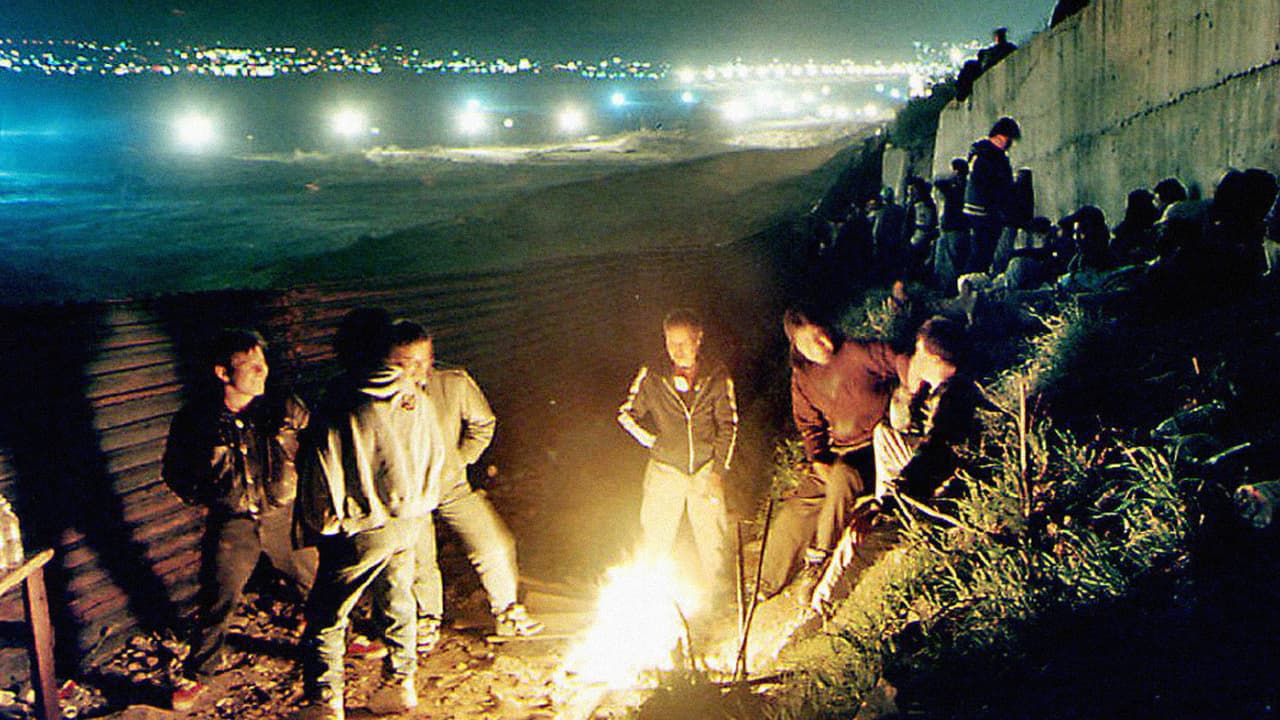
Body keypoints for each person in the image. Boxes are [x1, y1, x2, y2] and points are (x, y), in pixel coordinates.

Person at [294, 316, 447, 720]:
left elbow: (323, 464)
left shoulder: (341, 397)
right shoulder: (416, 396)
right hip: (408, 521)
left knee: (328, 613)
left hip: (360, 527)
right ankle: (399, 686)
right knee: (397, 599)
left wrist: (325, 520)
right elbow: (435, 453)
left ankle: (324, 702)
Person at [162, 328, 316, 711]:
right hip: (233, 522)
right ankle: (199, 674)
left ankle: (333, 639)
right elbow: (175, 470)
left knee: (316, 583)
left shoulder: (285, 407)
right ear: (222, 372)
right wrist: (207, 497)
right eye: (249, 367)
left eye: (262, 364)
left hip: (284, 515)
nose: (261, 373)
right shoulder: (196, 420)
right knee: (218, 598)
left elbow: (319, 447)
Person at [756, 307, 907, 600]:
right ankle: (765, 582)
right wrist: (817, 458)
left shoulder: (857, 353)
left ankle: (820, 557)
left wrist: (908, 393)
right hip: (840, 451)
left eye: (821, 334)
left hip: (873, 448)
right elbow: (808, 424)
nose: (821, 345)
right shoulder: (803, 377)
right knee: (800, 504)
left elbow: (899, 359)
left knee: (843, 478)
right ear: (797, 347)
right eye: (809, 342)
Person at [412, 330, 541, 652]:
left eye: (424, 359)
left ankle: (507, 610)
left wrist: (462, 458)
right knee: (418, 558)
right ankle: (425, 619)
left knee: (495, 544)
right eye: (408, 362)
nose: (419, 368)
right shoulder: (384, 396)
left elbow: (483, 423)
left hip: (451, 485)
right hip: (408, 495)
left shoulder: (452, 384)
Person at [618, 309, 739, 594]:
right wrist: (652, 441)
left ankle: (720, 600)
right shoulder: (653, 375)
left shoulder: (717, 376)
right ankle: (649, 597)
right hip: (665, 471)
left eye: (684, 342)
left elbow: (729, 425)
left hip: (705, 471)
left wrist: (719, 471)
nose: (677, 350)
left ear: (699, 339)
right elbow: (626, 414)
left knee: (714, 541)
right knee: (655, 540)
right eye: (671, 343)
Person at [872, 317, 971, 501]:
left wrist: (900, 492)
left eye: (919, 351)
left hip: (943, 473)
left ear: (934, 360)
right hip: (931, 462)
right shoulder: (935, 390)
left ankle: (889, 503)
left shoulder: (953, 395)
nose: (915, 358)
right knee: (884, 432)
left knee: (884, 437)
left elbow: (936, 450)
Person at [963, 117, 1020, 275]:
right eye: (1009, 140)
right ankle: (971, 286)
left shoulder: (979, 152)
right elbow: (994, 186)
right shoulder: (991, 157)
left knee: (979, 253)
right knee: (982, 254)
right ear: (1001, 137)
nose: (1009, 145)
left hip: (976, 210)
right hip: (985, 212)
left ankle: (971, 284)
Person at [933, 158, 970, 295]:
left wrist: (953, 176)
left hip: (954, 229)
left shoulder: (958, 187)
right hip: (956, 228)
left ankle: (949, 291)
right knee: (948, 262)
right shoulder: (964, 186)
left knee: (949, 264)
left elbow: (937, 181)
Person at [903, 176, 939, 283]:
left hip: (918, 241)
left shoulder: (922, 204)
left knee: (915, 266)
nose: (910, 192)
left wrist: (913, 241)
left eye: (913, 189)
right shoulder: (915, 202)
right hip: (915, 238)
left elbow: (923, 225)